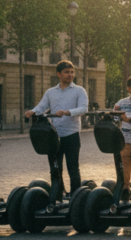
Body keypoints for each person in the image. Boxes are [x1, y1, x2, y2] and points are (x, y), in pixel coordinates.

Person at [24, 61, 89, 194]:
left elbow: (83, 108)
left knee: (73, 168)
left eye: (72, 72)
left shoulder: (79, 90)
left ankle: (76, 198)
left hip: (72, 135)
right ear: (59, 74)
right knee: (55, 168)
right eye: (67, 72)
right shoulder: (50, 92)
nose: (70, 75)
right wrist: (32, 112)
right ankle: (58, 195)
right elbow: (41, 107)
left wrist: (66, 112)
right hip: (54, 136)